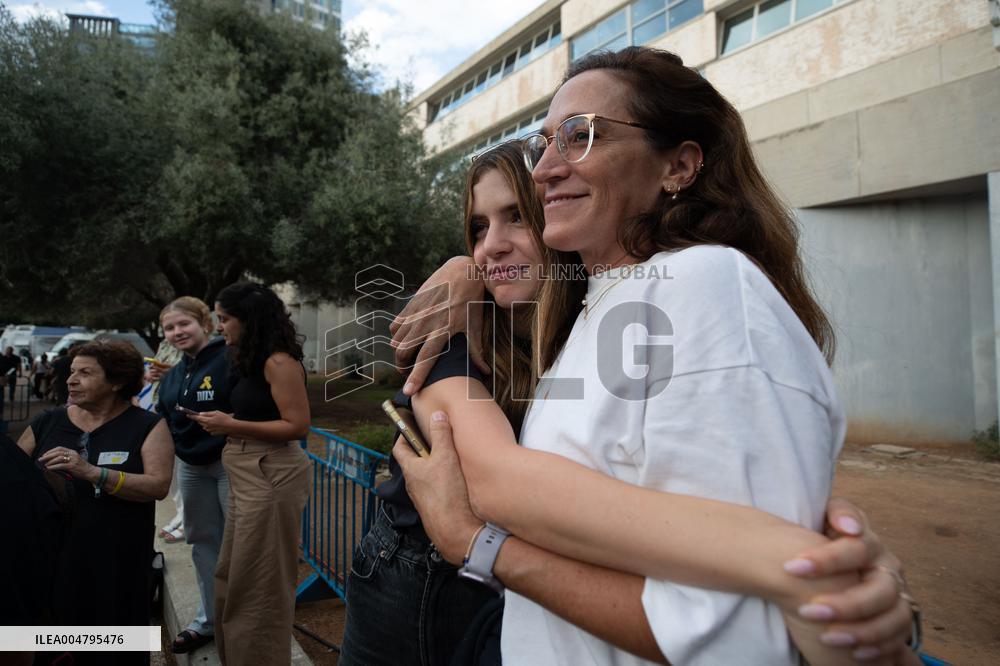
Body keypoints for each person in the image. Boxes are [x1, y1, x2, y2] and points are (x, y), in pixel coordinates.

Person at [391, 48, 922, 665]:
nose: (545, 171)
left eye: (581, 136)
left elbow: (734, 635)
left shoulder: (704, 280)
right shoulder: (592, 313)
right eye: (544, 146)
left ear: (679, 164)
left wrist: (807, 560)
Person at [16, 339, 173, 665]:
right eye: (72, 372)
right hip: (51, 560)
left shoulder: (147, 425)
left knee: (113, 650)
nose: (71, 380)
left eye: (85, 373)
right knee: (49, 648)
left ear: (116, 381)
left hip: (116, 562)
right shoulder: (48, 422)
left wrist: (91, 472)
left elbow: (158, 486)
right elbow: (14, 478)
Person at [185, 282, 311, 666]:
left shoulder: (278, 362)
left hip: (269, 471)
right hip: (244, 467)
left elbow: (298, 426)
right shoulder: (245, 356)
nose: (219, 326)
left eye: (224, 319)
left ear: (249, 319)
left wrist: (230, 424)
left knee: (261, 587)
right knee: (232, 577)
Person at [153, 297, 233, 654]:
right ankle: (208, 620)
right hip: (191, 469)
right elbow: (165, 419)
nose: (176, 332)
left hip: (231, 464)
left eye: (183, 324)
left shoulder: (231, 357)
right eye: (169, 328)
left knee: (240, 546)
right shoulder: (173, 373)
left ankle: (241, 622)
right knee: (202, 544)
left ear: (205, 322)